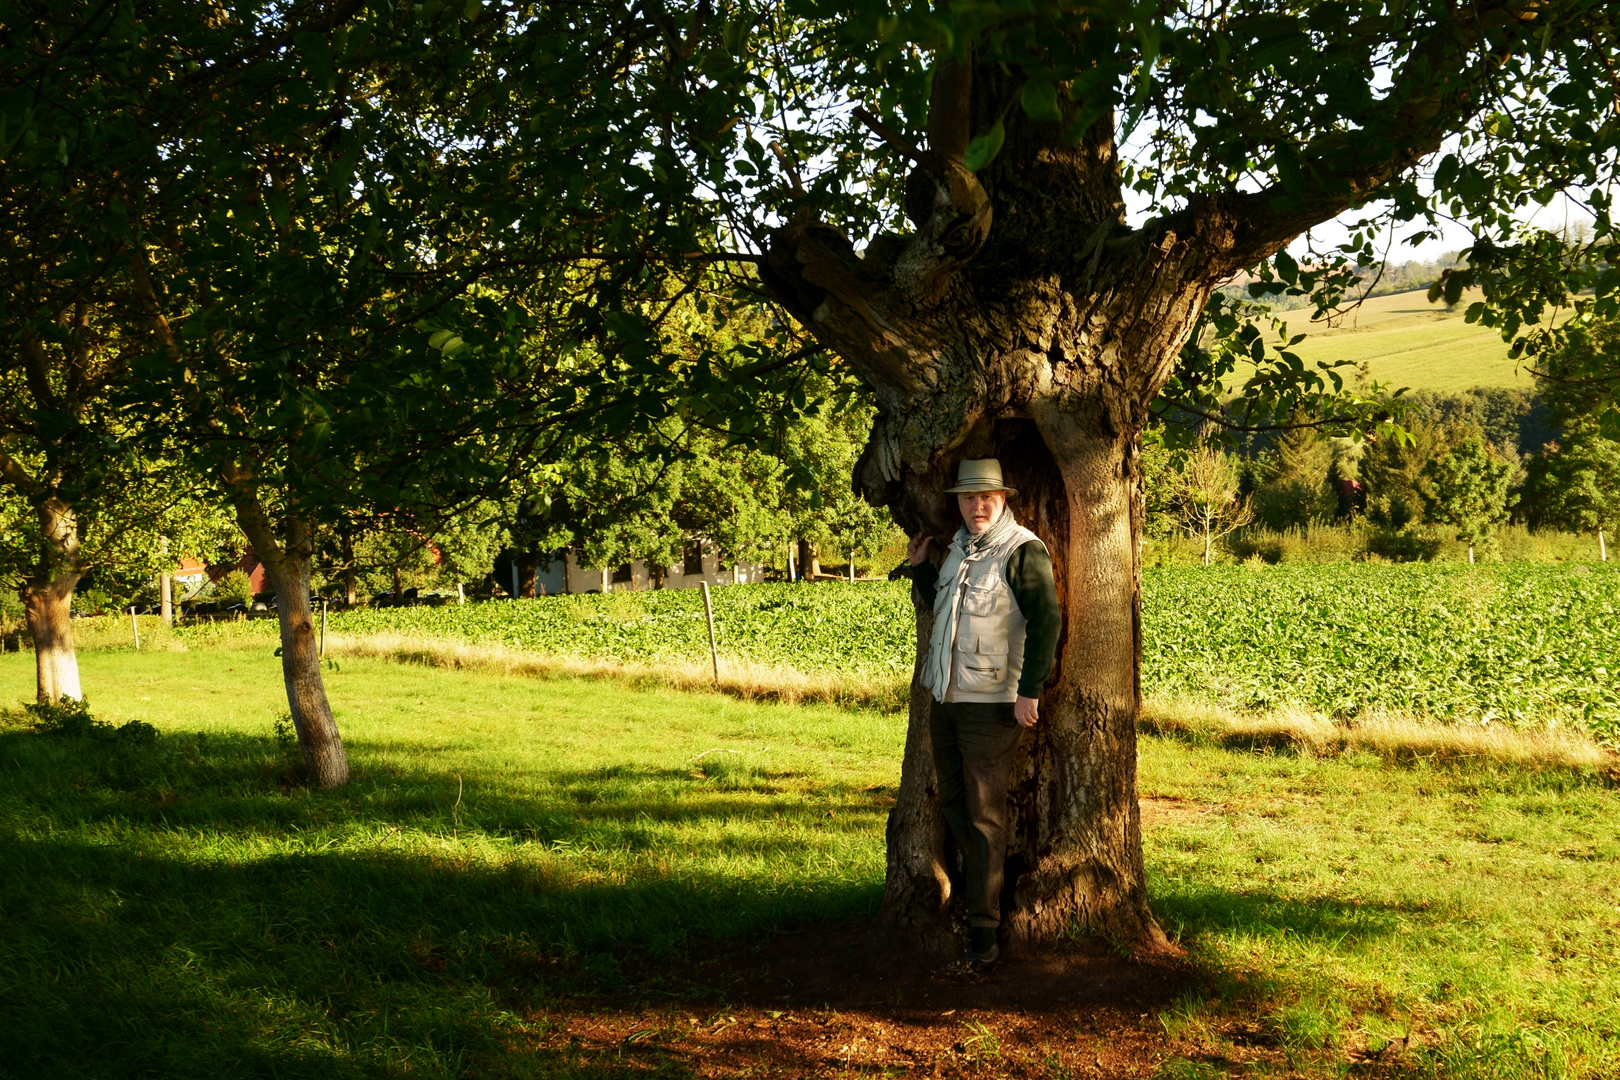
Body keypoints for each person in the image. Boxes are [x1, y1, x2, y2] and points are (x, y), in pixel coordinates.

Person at [907, 458, 1062, 964]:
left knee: (984, 818)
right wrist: (919, 571)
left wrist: (1030, 691)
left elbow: (1045, 621)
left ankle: (983, 932)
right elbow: (946, 608)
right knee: (954, 805)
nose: (978, 505)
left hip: (993, 707)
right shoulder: (957, 549)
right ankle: (978, 895)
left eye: (987, 496)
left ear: (1003, 498)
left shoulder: (1022, 551)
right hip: (947, 701)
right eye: (969, 497)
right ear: (958, 501)